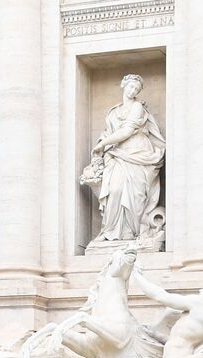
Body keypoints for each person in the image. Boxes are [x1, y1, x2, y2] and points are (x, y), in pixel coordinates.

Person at [83, 73, 166, 246]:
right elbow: (109, 132)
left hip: (138, 152)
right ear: (123, 85)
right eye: (131, 86)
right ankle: (109, 231)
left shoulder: (137, 107)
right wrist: (102, 144)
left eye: (136, 89)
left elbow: (127, 131)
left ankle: (131, 232)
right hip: (118, 154)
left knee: (136, 194)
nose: (133, 90)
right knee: (114, 190)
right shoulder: (114, 111)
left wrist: (104, 143)